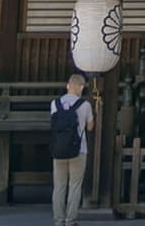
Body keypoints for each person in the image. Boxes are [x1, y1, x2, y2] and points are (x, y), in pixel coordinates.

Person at [50, 73, 94, 226]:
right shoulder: (85, 105)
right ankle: (70, 220)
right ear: (81, 87)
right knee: (75, 186)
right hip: (79, 150)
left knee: (59, 186)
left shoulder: (55, 104)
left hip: (59, 148)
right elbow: (90, 127)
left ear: (68, 85)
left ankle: (58, 220)